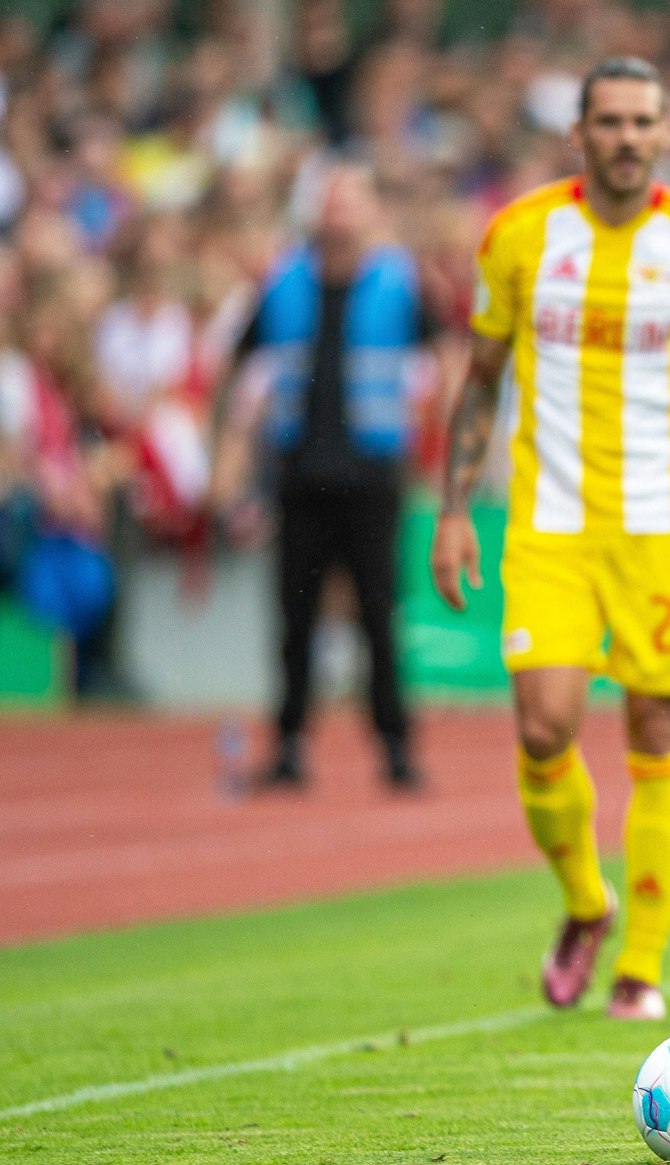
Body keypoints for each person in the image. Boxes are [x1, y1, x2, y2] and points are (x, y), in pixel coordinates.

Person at [429, 58, 670, 1023]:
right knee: (545, 725)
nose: (627, 136)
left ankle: (640, 963)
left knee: (657, 733)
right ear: (578, 133)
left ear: (664, 134)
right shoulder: (518, 235)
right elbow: (478, 379)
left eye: (643, 121)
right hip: (546, 528)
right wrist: (454, 509)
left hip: (664, 531)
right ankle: (586, 903)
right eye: (610, 121)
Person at [211, 161, 435, 788]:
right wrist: (232, 461)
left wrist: (430, 453)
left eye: (349, 203)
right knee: (294, 619)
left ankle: (395, 748)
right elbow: (244, 371)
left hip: (371, 477)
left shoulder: (400, 283)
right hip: (300, 476)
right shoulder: (282, 284)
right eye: (329, 204)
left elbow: (440, 361)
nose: (338, 215)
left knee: (378, 617)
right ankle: (288, 747)